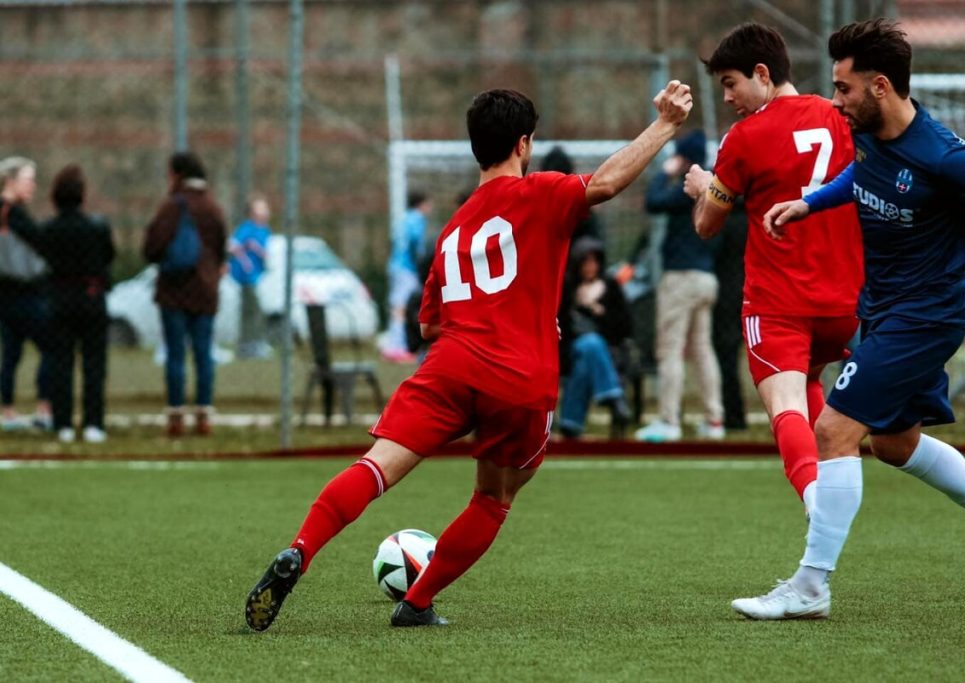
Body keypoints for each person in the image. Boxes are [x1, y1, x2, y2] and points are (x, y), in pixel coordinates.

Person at [244, 82, 694, 630]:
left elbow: (429, 323)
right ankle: (416, 603)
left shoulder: (453, 229)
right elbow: (605, 183)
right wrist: (666, 126)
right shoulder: (541, 194)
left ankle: (301, 548)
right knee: (493, 497)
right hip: (518, 375)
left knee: (375, 466)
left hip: (451, 366)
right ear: (523, 145)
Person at [735, 18, 965, 620]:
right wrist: (808, 202)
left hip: (924, 319)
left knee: (834, 430)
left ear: (881, 87)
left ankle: (811, 586)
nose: (835, 100)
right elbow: (860, 175)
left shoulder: (946, 157)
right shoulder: (865, 133)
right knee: (894, 445)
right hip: (886, 310)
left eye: (843, 89)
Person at [683, 23, 864, 510]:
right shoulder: (841, 116)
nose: (727, 97)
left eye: (730, 83)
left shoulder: (744, 137)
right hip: (843, 303)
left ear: (761, 74)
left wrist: (704, 188)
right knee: (808, 389)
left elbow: (706, 226)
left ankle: (820, 511)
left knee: (785, 408)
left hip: (780, 302)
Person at [5, 164, 114, 443]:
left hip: (60, 301)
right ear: (82, 196)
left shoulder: (50, 231)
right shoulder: (97, 228)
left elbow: (30, 237)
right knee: (94, 365)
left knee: (60, 363)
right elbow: (108, 259)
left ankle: (63, 423)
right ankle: (94, 424)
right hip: (91, 300)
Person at [637, 130, 725, 441]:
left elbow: (652, 202)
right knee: (703, 349)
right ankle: (714, 421)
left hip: (681, 278)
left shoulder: (686, 189)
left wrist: (665, 172)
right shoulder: (717, 186)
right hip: (706, 277)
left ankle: (669, 421)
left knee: (670, 349)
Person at [142, 151, 228, 438]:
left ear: (177, 174)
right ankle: (204, 415)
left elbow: (151, 248)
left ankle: (176, 416)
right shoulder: (213, 207)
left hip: (174, 292)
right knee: (204, 355)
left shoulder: (173, 206)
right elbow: (221, 251)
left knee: (175, 355)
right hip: (205, 292)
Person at [557, 237, 632, 438]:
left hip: (607, 351)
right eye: (586, 261)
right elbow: (560, 325)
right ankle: (614, 398)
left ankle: (570, 424)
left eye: (594, 261)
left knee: (586, 361)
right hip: (571, 348)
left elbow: (625, 327)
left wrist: (599, 312)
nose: (591, 266)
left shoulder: (610, 286)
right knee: (590, 344)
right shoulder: (567, 287)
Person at [0, 156, 53, 433]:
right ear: (10, 181)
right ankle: (45, 408)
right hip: (23, 293)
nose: (33, 185)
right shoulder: (13, 213)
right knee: (50, 346)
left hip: (7, 295)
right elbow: (42, 244)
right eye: (28, 179)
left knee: (11, 353)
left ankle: (7, 411)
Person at [381, 191, 432, 363]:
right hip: (407, 269)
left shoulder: (403, 219)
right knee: (404, 307)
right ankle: (399, 347)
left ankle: (393, 345)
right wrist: (421, 265)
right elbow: (415, 245)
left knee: (397, 306)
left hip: (395, 266)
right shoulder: (417, 220)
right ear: (422, 204)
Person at [712, 203, 749, 431]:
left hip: (727, 295)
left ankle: (734, 416)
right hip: (755, 291)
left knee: (726, 357)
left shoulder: (723, 220)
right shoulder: (754, 217)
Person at [229, 193, 273, 360]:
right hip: (247, 277)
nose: (265, 211)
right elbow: (233, 245)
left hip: (259, 277)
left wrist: (259, 252)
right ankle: (249, 345)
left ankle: (253, 343)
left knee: (255, 310)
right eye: (261, 208)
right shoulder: (247, 228)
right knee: (252, 310)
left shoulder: (265, 230)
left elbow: (265, 251)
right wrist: (245, 259)